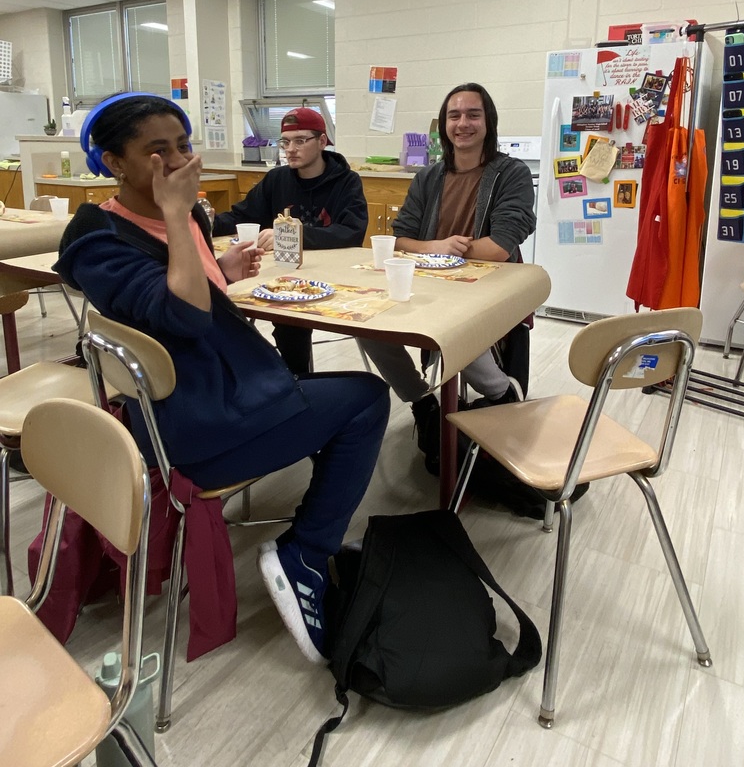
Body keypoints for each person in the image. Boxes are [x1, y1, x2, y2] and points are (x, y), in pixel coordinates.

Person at [54, 93, 389, 665]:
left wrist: (221, 272)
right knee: (367, 398)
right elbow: (184, 316)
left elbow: (181, 297)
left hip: (213, 391)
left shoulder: (180, 218)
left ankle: (311, 523)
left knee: (336, 392)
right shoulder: (97, 239)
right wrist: (178, 215)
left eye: (183, 146)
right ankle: (306, 552)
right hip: (189, 427)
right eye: (157, 151)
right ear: (114, 162)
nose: (178, 161)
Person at [360, 83, 536, 455]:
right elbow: (401, 238)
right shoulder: (429, 177)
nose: (462, 123)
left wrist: (445, 250)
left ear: (488, 121)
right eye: (454, 116)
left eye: (473, 114)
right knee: (369, 325)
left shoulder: (512, 174)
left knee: (452, 328)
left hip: (489, 287)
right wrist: (436, 247)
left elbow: (500, 247)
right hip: (430, 283)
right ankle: (422, 402)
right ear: (444, 125)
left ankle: (500, 392)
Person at [213, 107, 367, 375]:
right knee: (275, 314)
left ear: (322, 141)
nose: (290, 150)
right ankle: (293, 379)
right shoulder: (277, 178)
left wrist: (293, 234)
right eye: (284, 142)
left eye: (300, 140)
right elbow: (242, 215)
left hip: (333, 273)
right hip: (287, 275)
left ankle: (297, 381)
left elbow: (351, 231)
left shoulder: (346, 181)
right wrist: (202, 220)